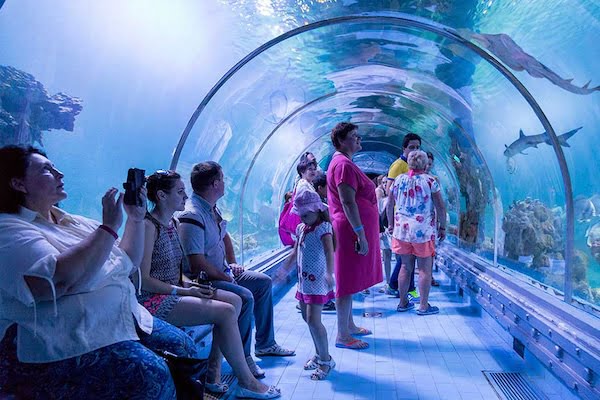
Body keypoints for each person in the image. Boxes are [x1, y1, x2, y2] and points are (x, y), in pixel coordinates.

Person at [0, 146, 193, 399]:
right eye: (47, 170)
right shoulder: (8, 229)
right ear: (18, 183)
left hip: (119, 318)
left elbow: (128, 260)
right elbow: (56, 282)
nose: (59, 173)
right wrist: (108, 229)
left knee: (183, 346)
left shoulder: (74, 222)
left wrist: (134, 219)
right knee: (150, 376)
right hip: (66, 338)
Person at [138, 170, 280, 398]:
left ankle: (213, 373)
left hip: (176, 290)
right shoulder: (148, 226)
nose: (186, 196)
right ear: (162, 196)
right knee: (226, 311)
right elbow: (143, 280)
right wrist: (185, 290)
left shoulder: (173, 223)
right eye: (180, 192)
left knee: (235, 300)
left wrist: (191, 287)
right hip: (153, 300)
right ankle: (246, 381)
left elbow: (175, 271)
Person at [178, 161, 295, 379]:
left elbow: (225, 236)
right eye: (222, 179)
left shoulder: (211, 207)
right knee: (245, 296)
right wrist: (226, 277)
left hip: (221, 273)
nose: (225, 183)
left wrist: (232, 263)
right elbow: (196, 264)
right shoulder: (192, 215)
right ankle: (244, 357)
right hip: (202, 280)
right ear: (215, 184)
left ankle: (265, 344)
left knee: (262, 282)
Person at [326, 122, 382, 350]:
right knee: (346, 282)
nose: (359, 139)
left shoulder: (344, 163)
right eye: (353, 136)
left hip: (350, 228)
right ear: (340, 141)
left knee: (349, 281)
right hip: (349, 230)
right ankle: (342, 335)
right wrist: (360, 233)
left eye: (359, 135)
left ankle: (349, 325)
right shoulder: (343, 165)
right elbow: (347, 202)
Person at [386, 150, 446, 315]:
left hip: (402, 231)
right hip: (423, 232)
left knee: (405, 266)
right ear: (425, 164)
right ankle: (423, 306)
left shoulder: (398, 180)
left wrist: (390, 224)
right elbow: (440, 207)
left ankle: (403, 302)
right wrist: (442, 227)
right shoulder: (430, 181)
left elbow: (389, 204)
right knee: (425, 269)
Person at [286, 190, 336, 380]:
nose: (303, 218)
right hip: (304, 282)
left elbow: (329, 251)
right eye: (301, 215)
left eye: (306, 215)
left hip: (318, 282)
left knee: (314, 320)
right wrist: (284, 269)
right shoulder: (301, 228)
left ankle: (326, 360)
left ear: (317, 210)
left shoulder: (324, 228)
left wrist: (330, 273)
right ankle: (318, 353)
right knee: (308, 319)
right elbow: (295, 252)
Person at [387, 133, 422, 301]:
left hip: (413, 220)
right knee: (405, 258)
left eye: (418, 147)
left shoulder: (416, 166)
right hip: (401, 218)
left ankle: (406, 287)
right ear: (404, 148)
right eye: (411, 147)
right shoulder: (398, 166)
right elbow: (389, 194)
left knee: (408, 258)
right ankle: (396, 285)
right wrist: (391, 221)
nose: (415, 151)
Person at [375, 175, 394, 294]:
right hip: (385, 229)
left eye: (387, 182)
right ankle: (388, 281)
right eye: (383, 183)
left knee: (397, 256)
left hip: (393, 229)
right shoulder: (381, 199)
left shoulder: (393, 198)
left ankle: (394, 282)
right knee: (387, 256)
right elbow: (378, 213)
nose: (385, 184)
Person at [425, 151, 441, 287]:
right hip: (418, 222)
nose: (427, 166)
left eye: (430, 164)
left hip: (430, 220)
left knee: (431, 251)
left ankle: (429, 276)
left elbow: (438, 203)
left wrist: (439, 221)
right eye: (426, 163)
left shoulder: (434, 179)